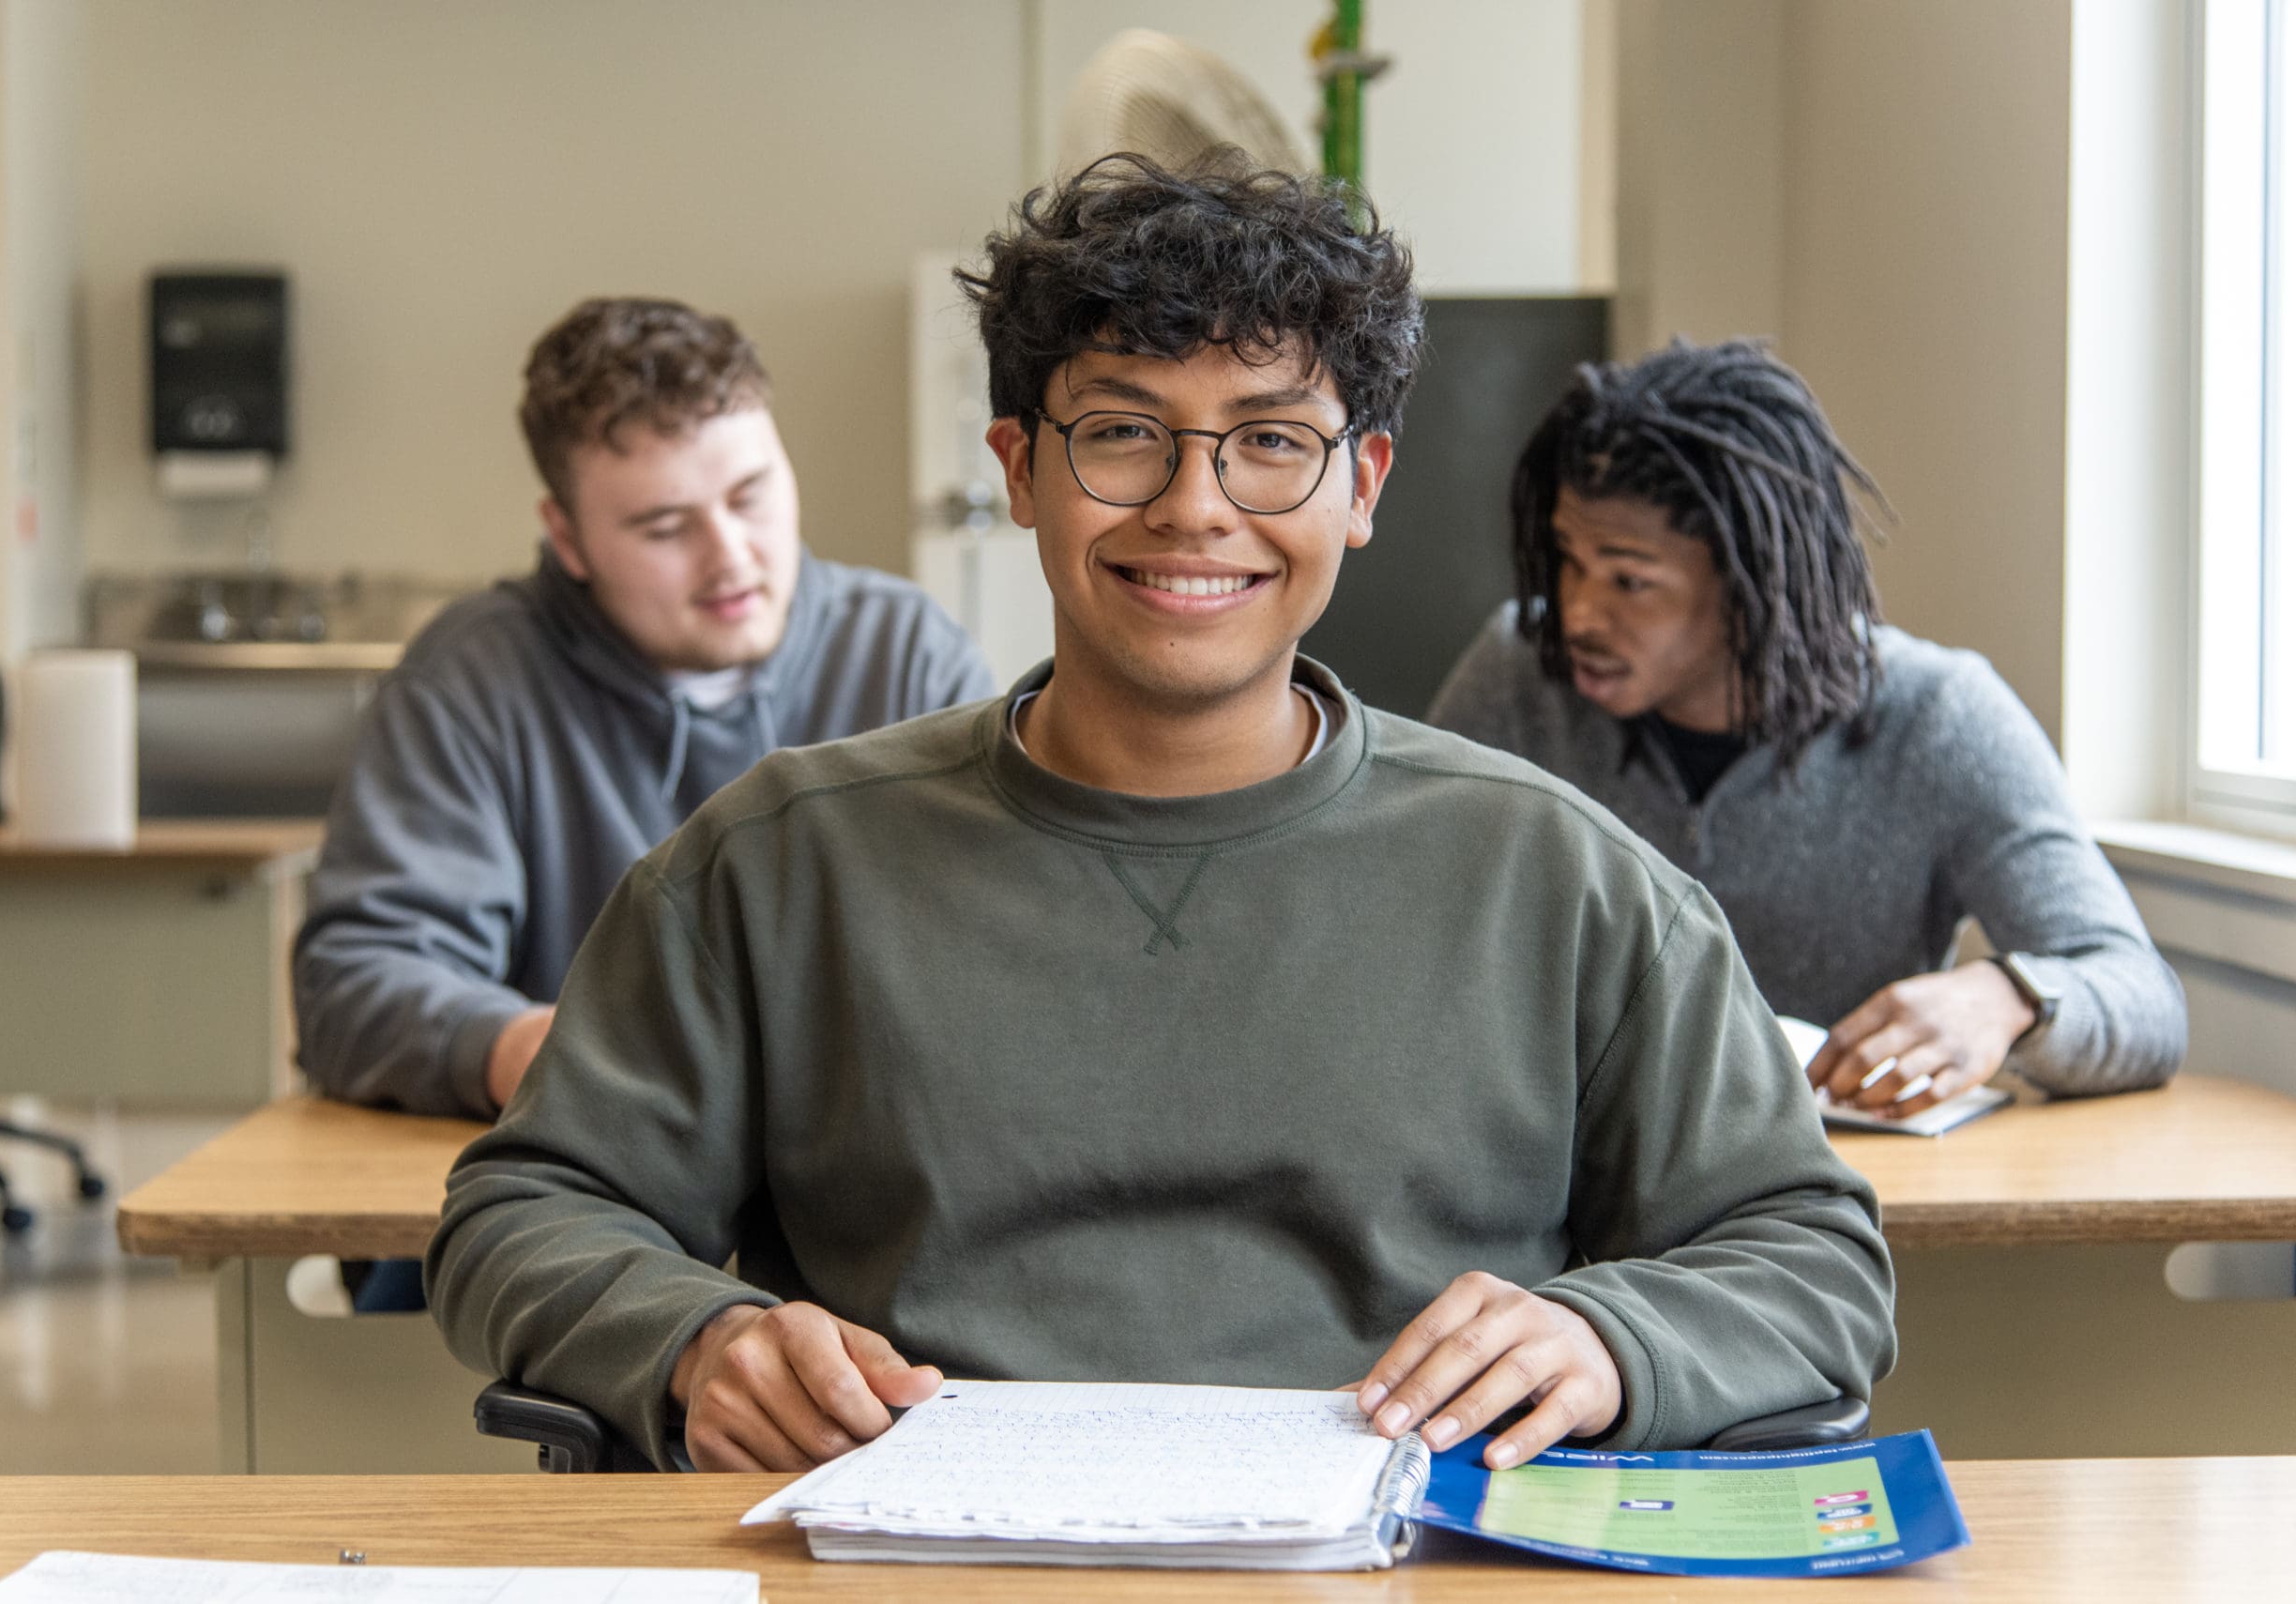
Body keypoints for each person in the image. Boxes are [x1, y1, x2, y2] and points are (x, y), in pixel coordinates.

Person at [429, 157, 1894, 1479]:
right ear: (1021, 467)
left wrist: (1612, 1344)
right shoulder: (775, 865)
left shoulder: (1566, 883)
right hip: (912, 1571)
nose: (1197, 506)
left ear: (1361, 484)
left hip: (1412, 1566)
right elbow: (527, 1212)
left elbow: (1811, 1258)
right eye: (1125, 434)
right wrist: (692, 1343)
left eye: (1271, 443)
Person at [1429, 339, 2185, 1118]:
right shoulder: (1519, 673)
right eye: (1566, 559)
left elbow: (2143, 999)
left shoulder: (1940, 716)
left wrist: (2008, 998)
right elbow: (1408, 923)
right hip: (1566, 1188)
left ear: (1755, 577)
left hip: (1837, 1204)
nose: (1579, 612)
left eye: (1631, 579)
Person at [296, 297, 994, 1122]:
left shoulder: (905, 657)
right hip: (573, 1187)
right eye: (665, 527)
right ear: (568, 538)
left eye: (751, 495)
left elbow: (993, 951)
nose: (731, 557)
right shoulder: (470, 682)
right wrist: (516, 1047)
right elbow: (356, 979)